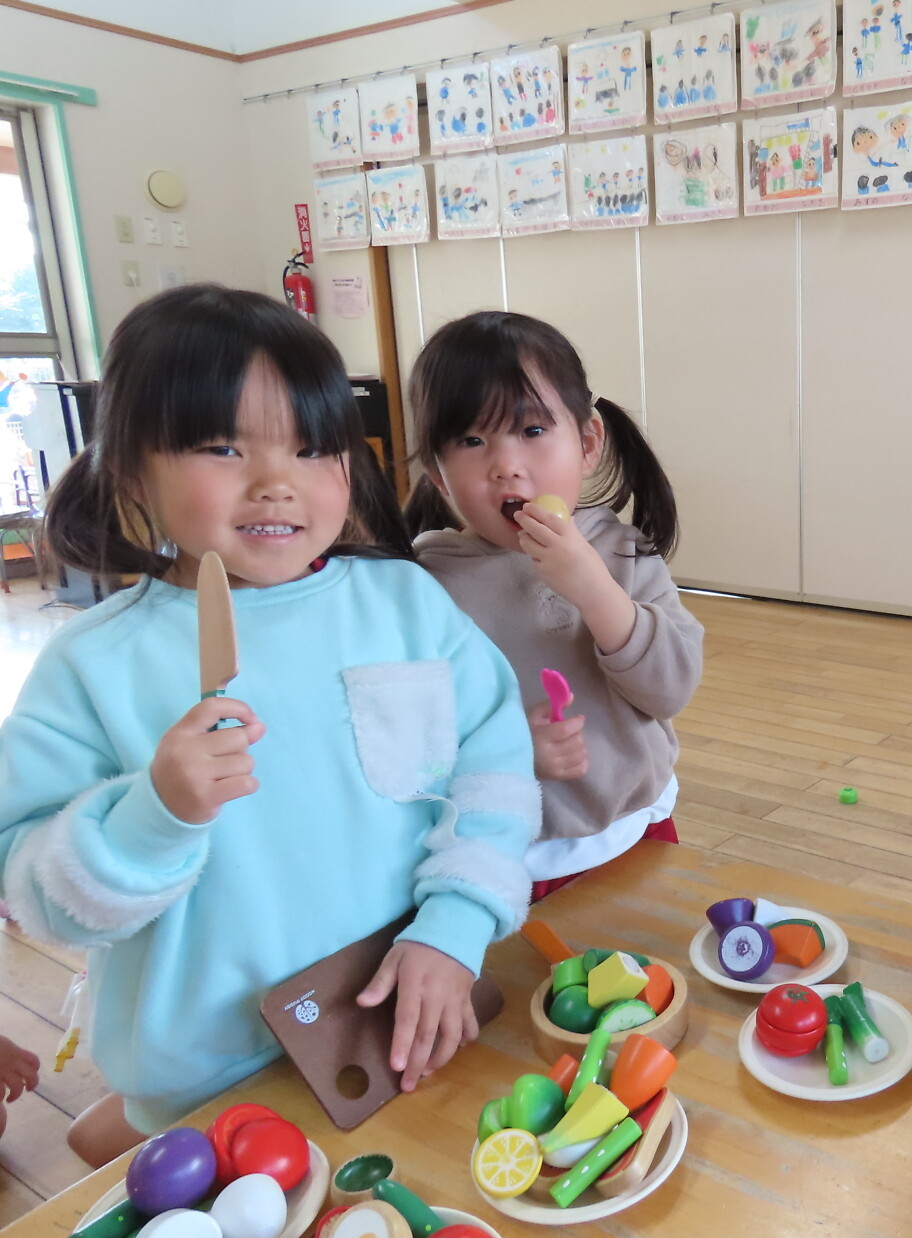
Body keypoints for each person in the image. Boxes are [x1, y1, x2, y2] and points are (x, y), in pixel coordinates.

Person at [0, 285, 538, 1166]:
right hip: (204, 1071)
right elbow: (35, 892)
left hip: (401, 1013)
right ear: (131, 467)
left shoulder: (405, 604)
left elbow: (494, 771)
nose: (277, 481)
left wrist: (455, 924)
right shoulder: (92, 665)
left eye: (312, 446)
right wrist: (151, 817)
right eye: (223, 446)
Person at [404, 312, 703, 901]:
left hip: (638, 828)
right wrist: (512, 752)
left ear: (587, 443)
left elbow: (671, 689)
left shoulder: (622, 552)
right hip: (509, 857)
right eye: (471, 441)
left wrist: (594, 588)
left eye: (533, 430)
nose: (505, 465)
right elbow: (413, 747)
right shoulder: (427, 586)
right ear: (438, 474)